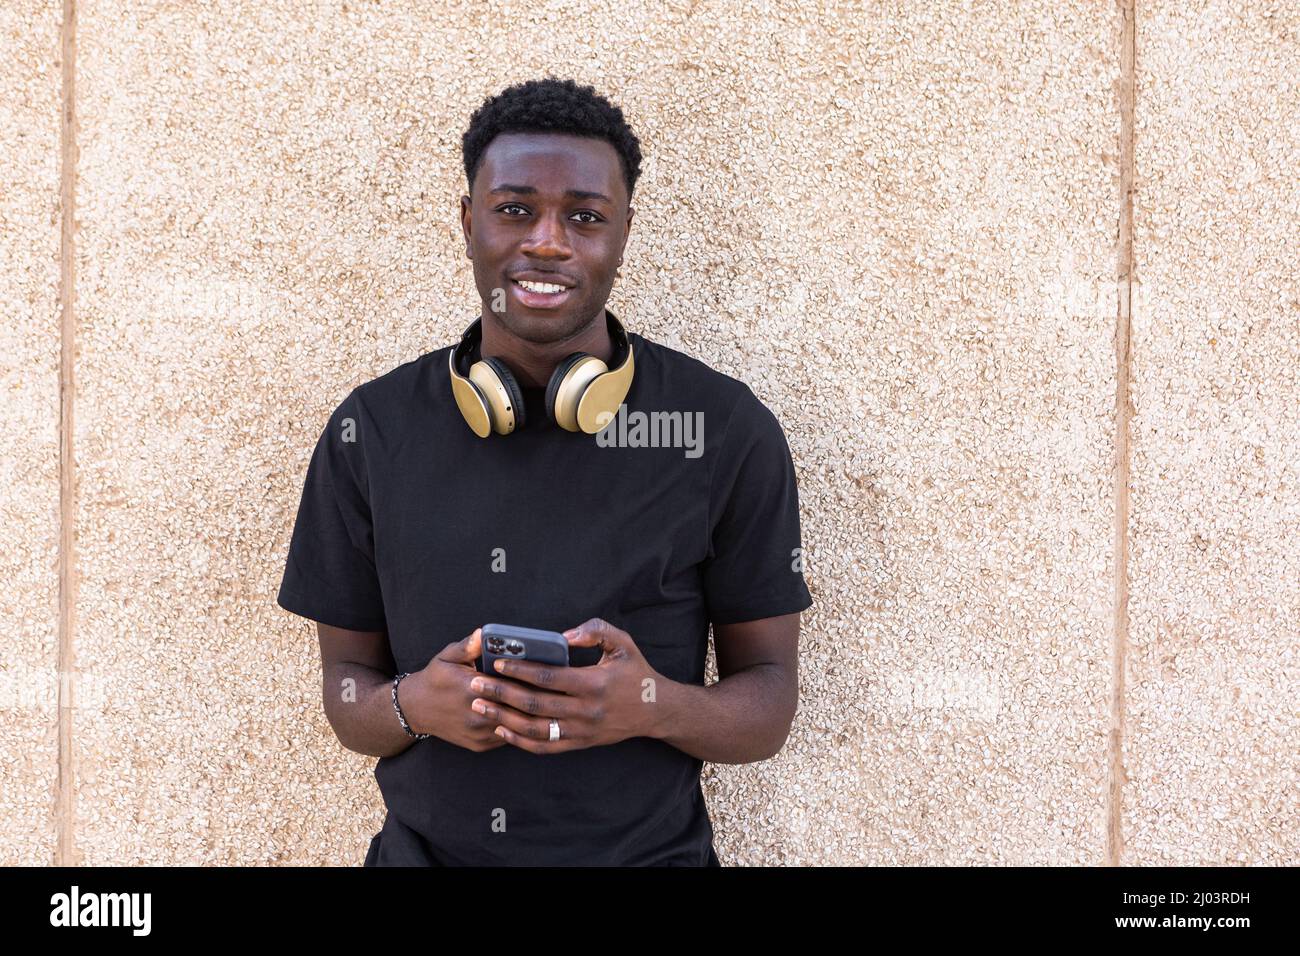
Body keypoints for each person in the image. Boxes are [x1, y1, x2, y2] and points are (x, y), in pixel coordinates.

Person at [276, 77, 813, 866]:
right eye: (515, 208)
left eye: (586, 217)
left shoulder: (724, 431)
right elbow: (347, 692)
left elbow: (767, 704)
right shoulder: (371, 431)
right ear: (467, 222)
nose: (549, 242)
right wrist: (412, 705)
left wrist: (650, 707)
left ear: (624, 232)